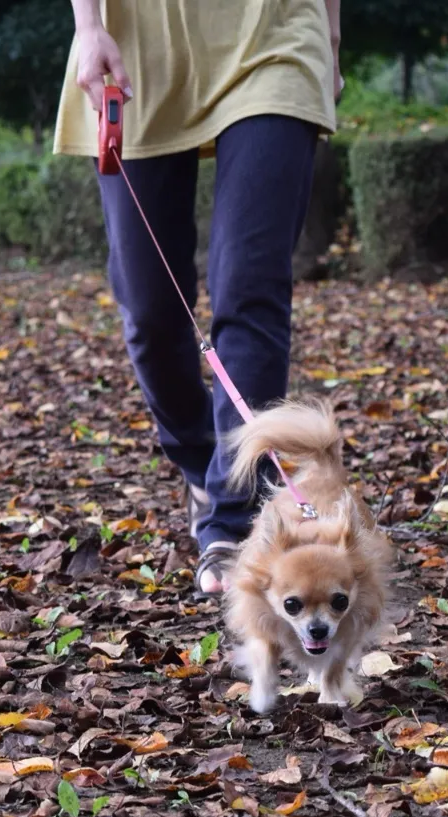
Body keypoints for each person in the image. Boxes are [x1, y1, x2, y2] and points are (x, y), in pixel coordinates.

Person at [54, 0, 343, 594]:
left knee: (249, 287)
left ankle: (233, 519)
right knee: (150, 312)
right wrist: (88, 27)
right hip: (137, 44)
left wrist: (332, 38)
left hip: (275, 34)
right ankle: (201, 462)